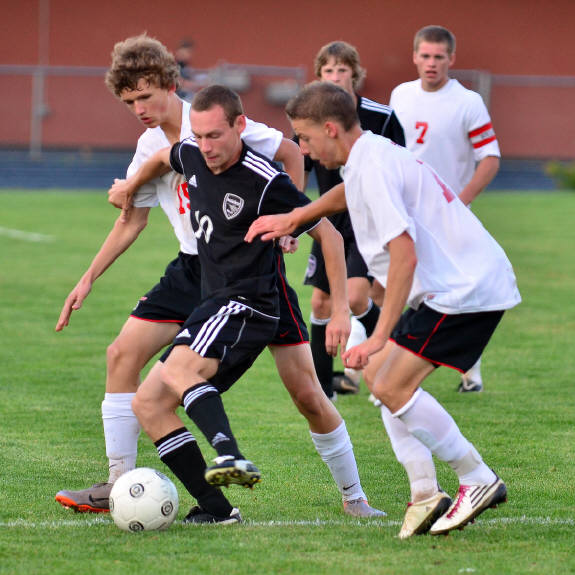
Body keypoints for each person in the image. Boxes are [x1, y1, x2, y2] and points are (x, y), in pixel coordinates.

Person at [55, 35, 383, 520]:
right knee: (133, 371)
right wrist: (127, 194)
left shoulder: (229, 137)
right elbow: (154, 179)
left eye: (145, 96)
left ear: (171, 86)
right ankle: (140, 486)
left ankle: (350, 498)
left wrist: (289, 225)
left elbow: (297, 164)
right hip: (198, 271)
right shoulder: (176, 147)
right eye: (129, 102)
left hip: (251, 280)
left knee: (307, 394)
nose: (139, 109)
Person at [245, 81, 521, 537]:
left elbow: (404, 255)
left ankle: (476, 478)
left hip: (463, 289)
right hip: (460, 283)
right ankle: (424, 492)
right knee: (379, 378)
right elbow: (347, 193)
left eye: (305, 138)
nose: (302, 149)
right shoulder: (368, 152)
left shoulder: (370, 165)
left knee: (390, 381)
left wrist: (377, 335)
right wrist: (296, 217)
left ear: (330, 129)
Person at [389, 25, 502, 393]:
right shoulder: (401, 95)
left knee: (457, 290)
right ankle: (385, 367)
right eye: (425, 55)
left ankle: (469, 369)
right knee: (402, 286)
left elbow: (490, 158)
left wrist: (460, 202)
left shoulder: (467, 101)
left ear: (452, 59)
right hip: (408, 212)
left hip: (450, 219)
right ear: (414, 57)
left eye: (439, 56)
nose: (431, 63)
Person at [302, 41, 405, 400]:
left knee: (358, 298)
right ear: (319, 76)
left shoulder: (381, 117)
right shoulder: (310, 117)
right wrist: (293, 221)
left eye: (341, 70)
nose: (335, 77)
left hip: (367, 220)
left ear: (355, 74)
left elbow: (401, 166)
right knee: (320, 303)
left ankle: (395, 359)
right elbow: (299, 167)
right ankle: (322, 390)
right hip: (328, 221)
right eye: (328, 70)